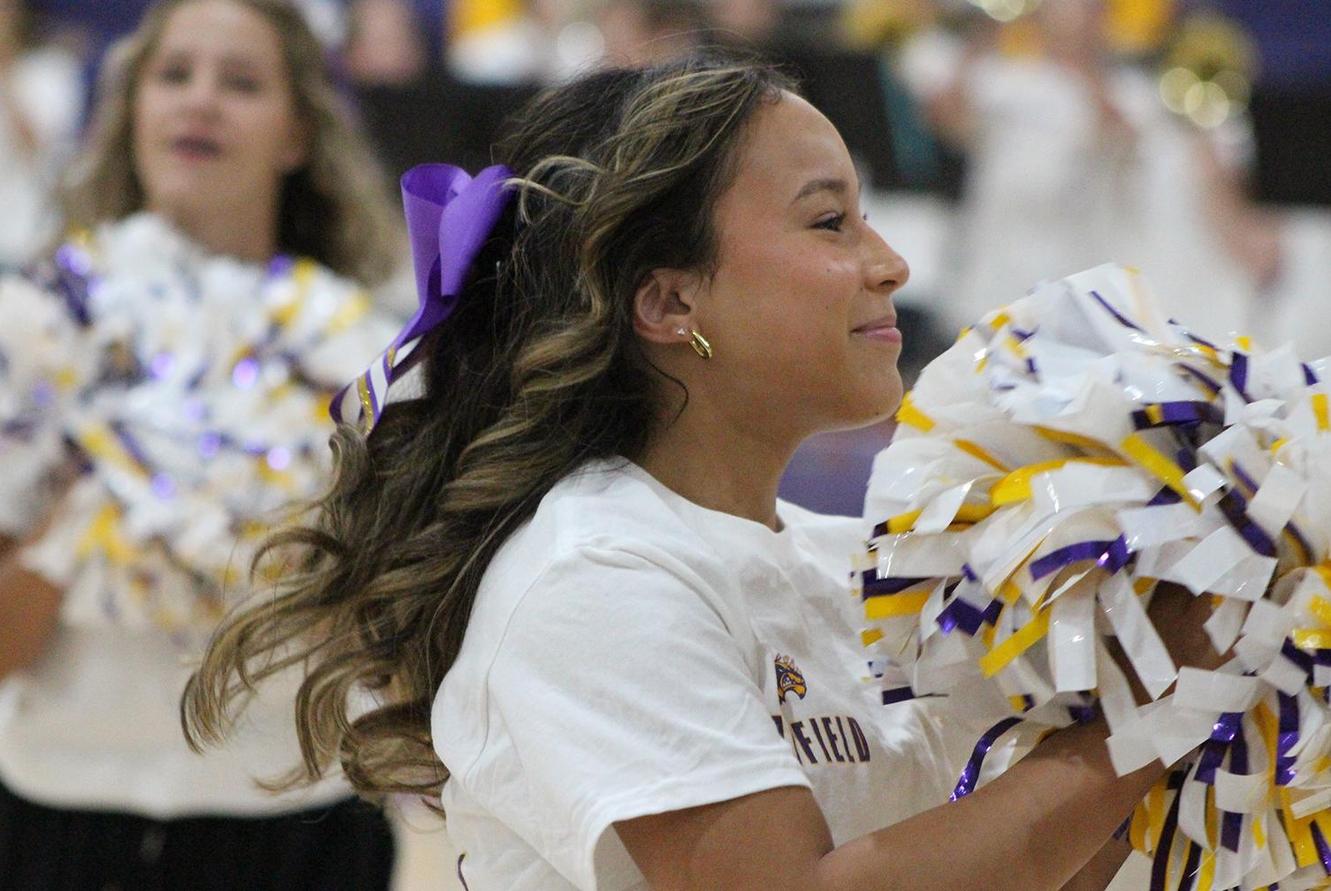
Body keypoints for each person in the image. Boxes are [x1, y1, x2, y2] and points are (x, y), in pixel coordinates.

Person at [183, 53, 1223, 890]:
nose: (889, 262)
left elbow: (1020, 863)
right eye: (829, 221)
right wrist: (1146, 715)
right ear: (669, 304)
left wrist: (1202, 645)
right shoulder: (593, 577)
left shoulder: (846, 560)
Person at [0, 0, 403, 886]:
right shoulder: (33, 328)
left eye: (242, 82)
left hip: (299, 818)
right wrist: (95, 497)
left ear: (297, 134)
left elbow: (399, 648)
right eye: (173, 75)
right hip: (62, 807)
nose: (201, 101)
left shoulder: (361, 354)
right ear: (131, 109)